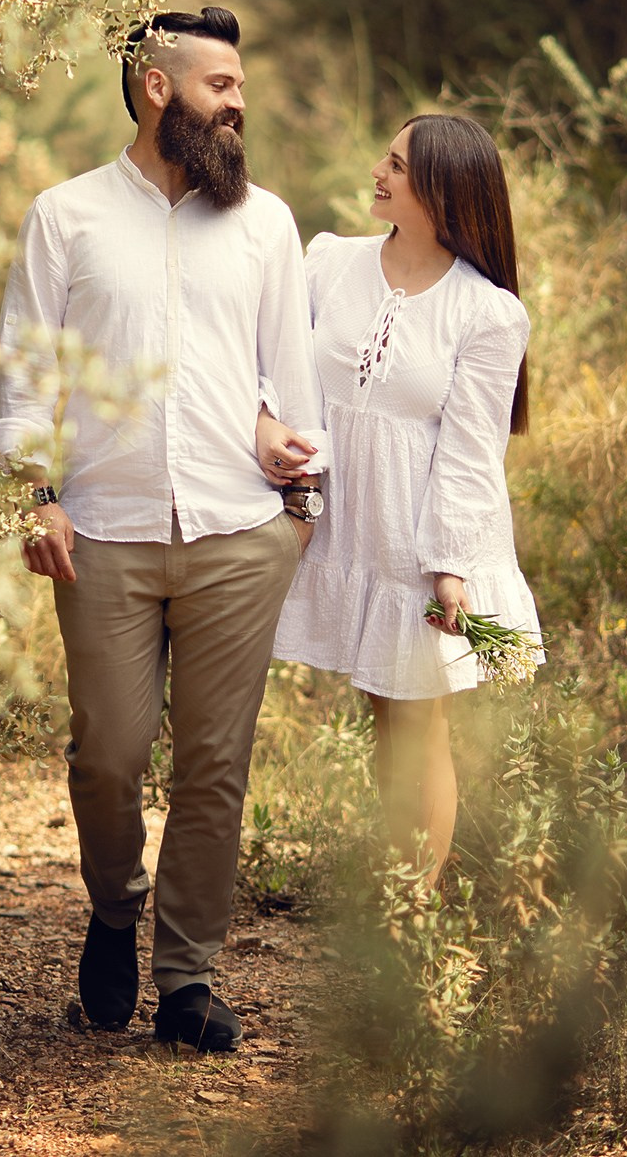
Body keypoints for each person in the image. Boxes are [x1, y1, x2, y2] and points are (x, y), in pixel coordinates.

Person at [0, 7, 327, 1054]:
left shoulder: (265, 224)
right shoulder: (65, 217)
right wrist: (34, 496)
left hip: (237, 533)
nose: (237, 104)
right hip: (102, 533)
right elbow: (21, 373)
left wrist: (296, 509)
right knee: (108, 755)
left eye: (239, 86)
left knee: (214, 768)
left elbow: (292, 383)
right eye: (221, 84)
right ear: (156, 89)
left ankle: (186, 976)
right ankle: (113, 908)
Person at [264, 114, 542, 879]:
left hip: (417, 538)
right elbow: (279, 373)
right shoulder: (330, 262)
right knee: (383, 716)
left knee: (418, 725)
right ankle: (398, 889)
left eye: (398, 166)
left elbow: (471, 450)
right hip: (340, 522)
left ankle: (412, 907)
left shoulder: (486, 312)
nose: (377, 173)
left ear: (444, 192)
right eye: (385, 158)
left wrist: (448, 566)